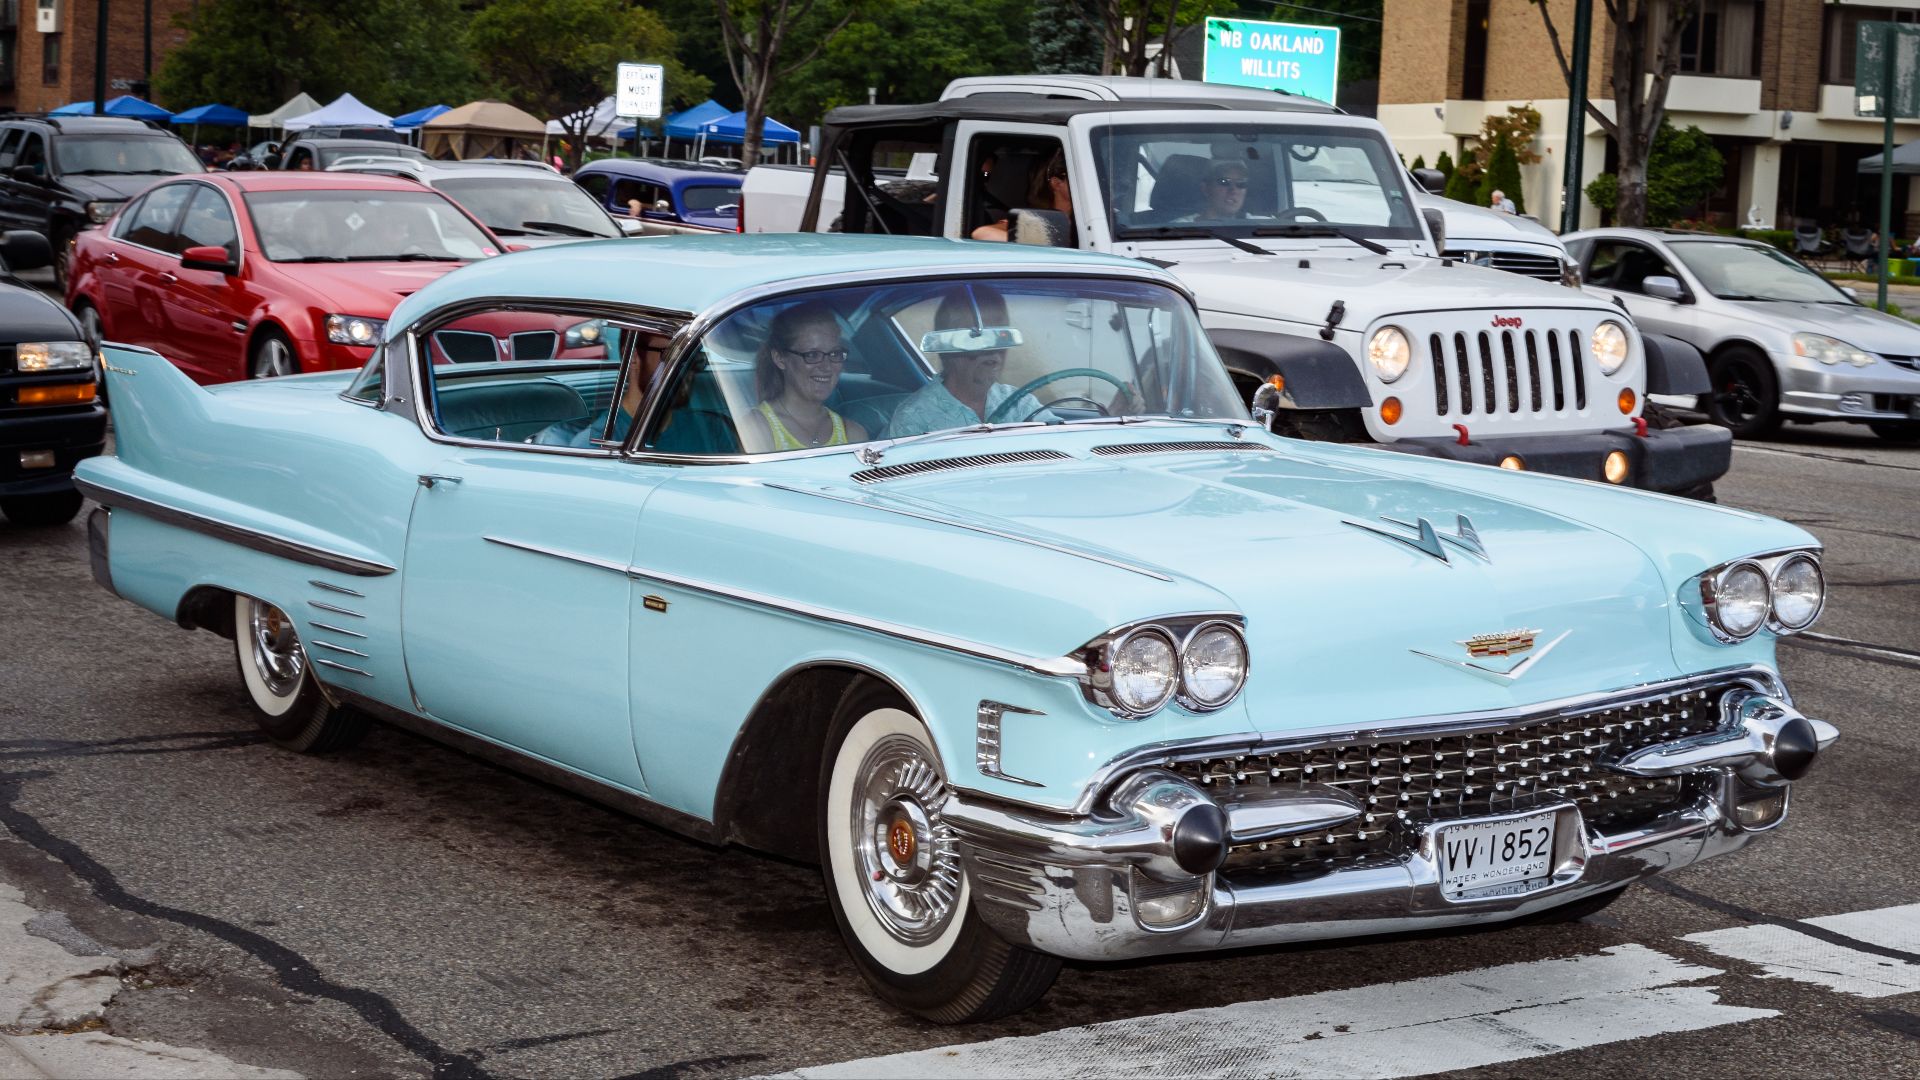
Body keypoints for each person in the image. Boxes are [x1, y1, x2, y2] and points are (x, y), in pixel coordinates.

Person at [886, 286, 1058, 436]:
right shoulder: (914, 417)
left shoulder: (1018, 402)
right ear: (949, 348)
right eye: (976, 337)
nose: (993, 349)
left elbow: (1059, 440)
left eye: (1001, 335)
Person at [739, 302, 868, 452]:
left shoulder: (853, 434)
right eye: (812, 355)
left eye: (834, 354)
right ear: (780, 359)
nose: (826, 366)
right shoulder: (757, 428)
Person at [971, 147, 1072, 242]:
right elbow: (981, 233)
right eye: (1074, 175)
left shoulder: (1082, 219)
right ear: (1057, 183)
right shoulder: (1033, 221)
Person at [1182, 160, 1250, 221]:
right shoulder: (1180, 228)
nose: (1233, 190)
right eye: (1224, 182)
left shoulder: (1258, 224)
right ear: (1205, 188)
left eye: (1241, 183)